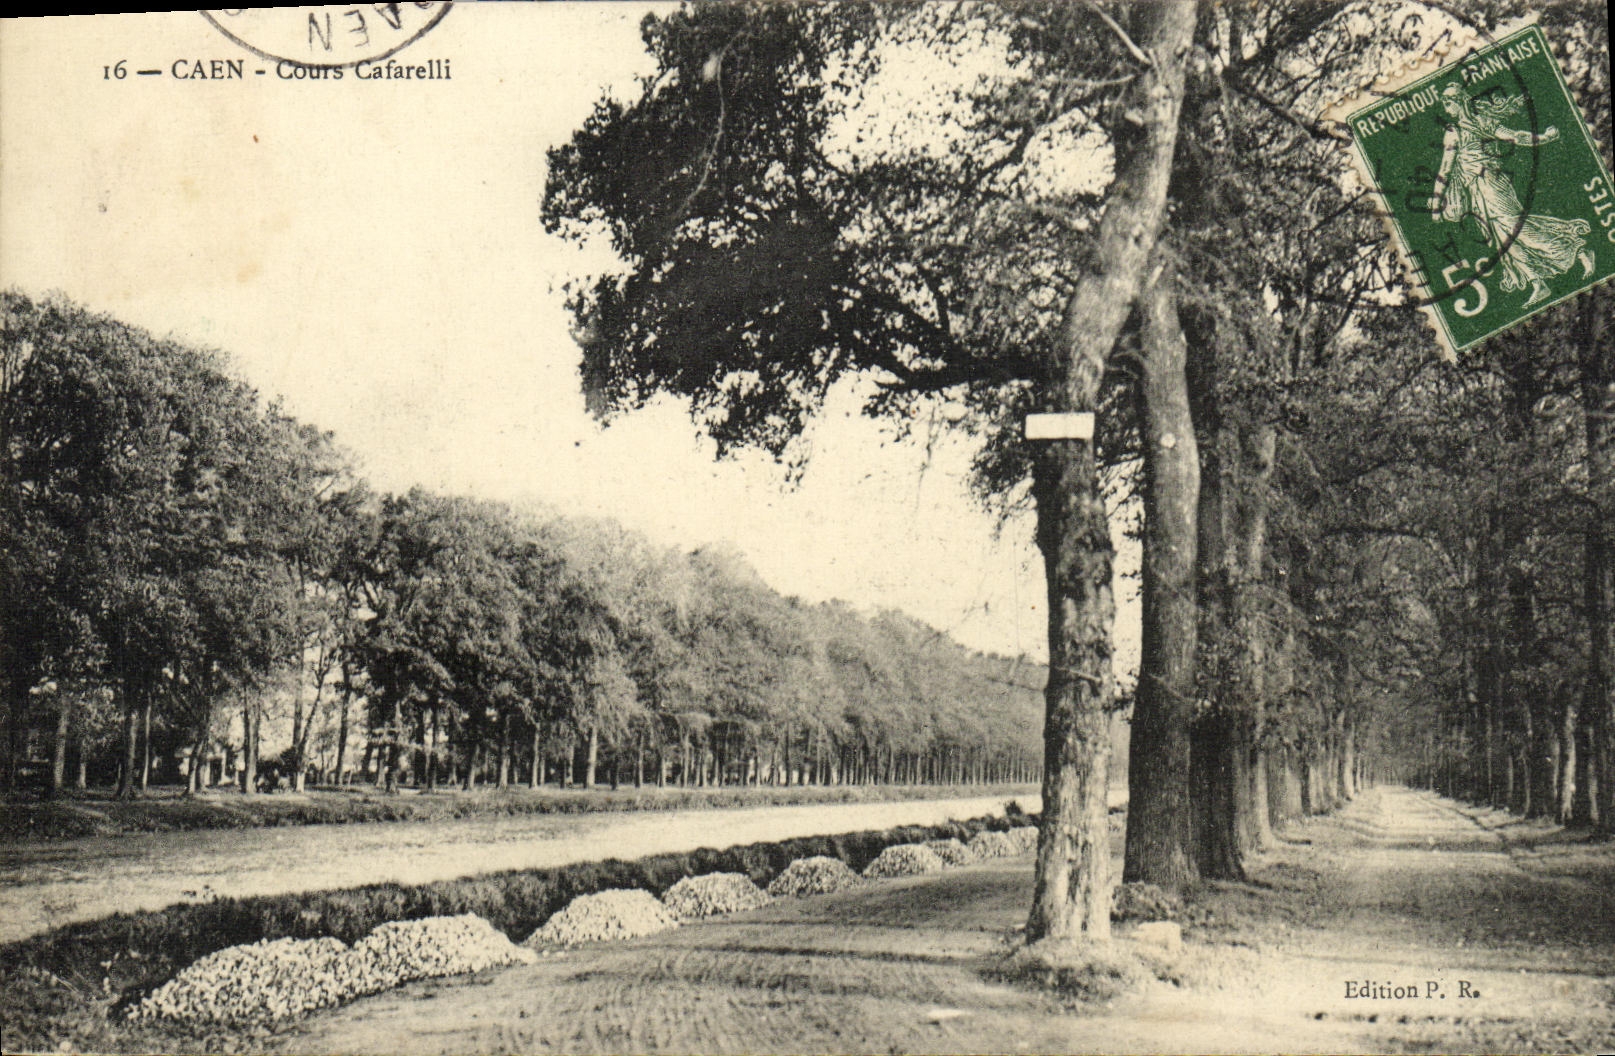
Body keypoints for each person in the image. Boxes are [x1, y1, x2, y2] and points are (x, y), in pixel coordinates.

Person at [1431, 82, 1595, 306]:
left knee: (1518, 229)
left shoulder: (1481, 122)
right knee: (1503, 239)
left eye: (1448, 101)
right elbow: (1445, 169)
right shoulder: (1453, 131)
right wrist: (1437, 203)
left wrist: (1544, 138)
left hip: (1492, 184)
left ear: (1460, 101)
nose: (1445, 106)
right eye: (1444, 102)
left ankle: (1577, 250)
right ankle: (1537, 282)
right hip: (1476, 193)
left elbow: (1515, 136)